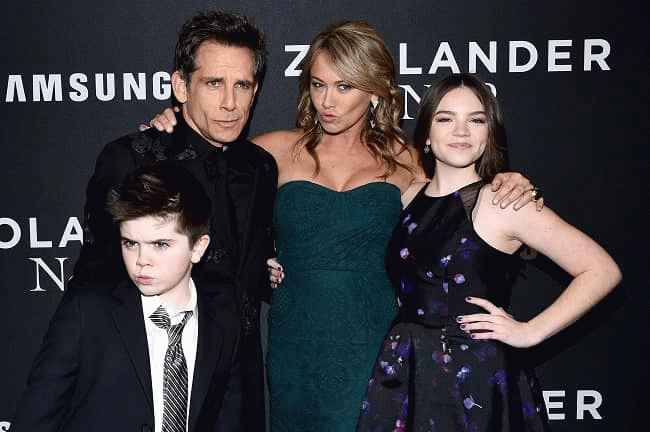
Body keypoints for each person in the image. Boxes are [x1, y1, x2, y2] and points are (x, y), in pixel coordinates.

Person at [152, 21, 539, 432]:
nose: (327, 101)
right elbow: (199, 169)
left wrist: (504, 182)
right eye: (318, 85)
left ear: (374, 92)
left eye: (344, 87)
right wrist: (170, 124)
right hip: (296, 345)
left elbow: (456, 214)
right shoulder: (274, 151)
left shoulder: (405, 159)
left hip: (376, 345)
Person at [355, 73, 622, 431]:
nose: (461, 131)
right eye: (446, 118)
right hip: (405, 372)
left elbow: (601, 270)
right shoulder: (407, 196)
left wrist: (530, 332)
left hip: (475, 379)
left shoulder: (504, 201)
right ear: (427, 135)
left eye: (476, 120)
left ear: (489, 134)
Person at [72, 10, 276, 431]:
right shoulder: (133, 159)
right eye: (214, 83)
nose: (230, 103)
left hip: (239, 389)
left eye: (242, 85)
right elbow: (95, 279)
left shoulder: (260, 167)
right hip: (152, 381)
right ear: (181, 86)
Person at [12, 164, 241, 432]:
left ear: (198, 248)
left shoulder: (223, 318)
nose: (141, 260)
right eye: (130, 243)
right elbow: (35, 419)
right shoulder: (87, 311)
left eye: (160, 244)